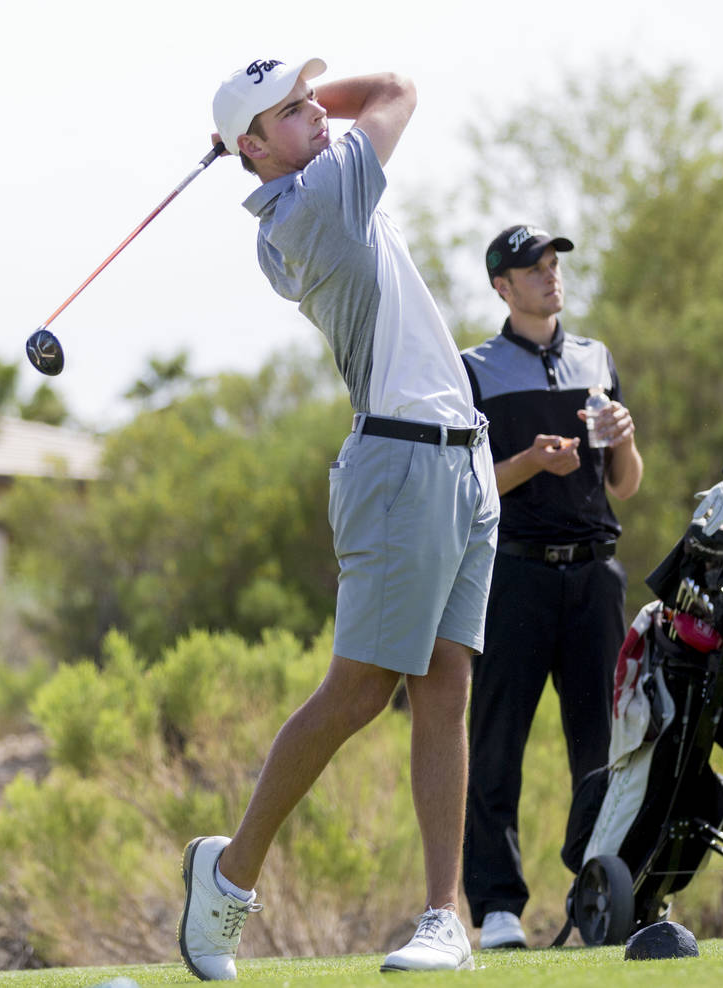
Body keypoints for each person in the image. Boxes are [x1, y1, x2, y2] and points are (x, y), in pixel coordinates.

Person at [176, 57, 499, 980]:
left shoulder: (309, 185)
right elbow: (395, 87)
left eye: (314, 100)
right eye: (291, 111)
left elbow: (340, 111)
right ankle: (229, 877)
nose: (320, 113)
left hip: (460, 459)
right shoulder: (318, 199)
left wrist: (275, 114)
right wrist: (280, 121)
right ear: (252, 148)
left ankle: (448, 918)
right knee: (359, 690)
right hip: (402, 465)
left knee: (445, 687)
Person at [460, 225, 643, 949]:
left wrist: (624, 437)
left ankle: (597, 886)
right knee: (496, 738)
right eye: (531, 267)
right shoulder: (473, 370)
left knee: (602, 742)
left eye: (553, 263)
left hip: (595, 574)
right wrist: (533, 462)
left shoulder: (596, 359)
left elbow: (626, 485)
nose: (548, 274)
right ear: (502, 287)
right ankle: (498, 907)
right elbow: (470, 485)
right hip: (514, 573)